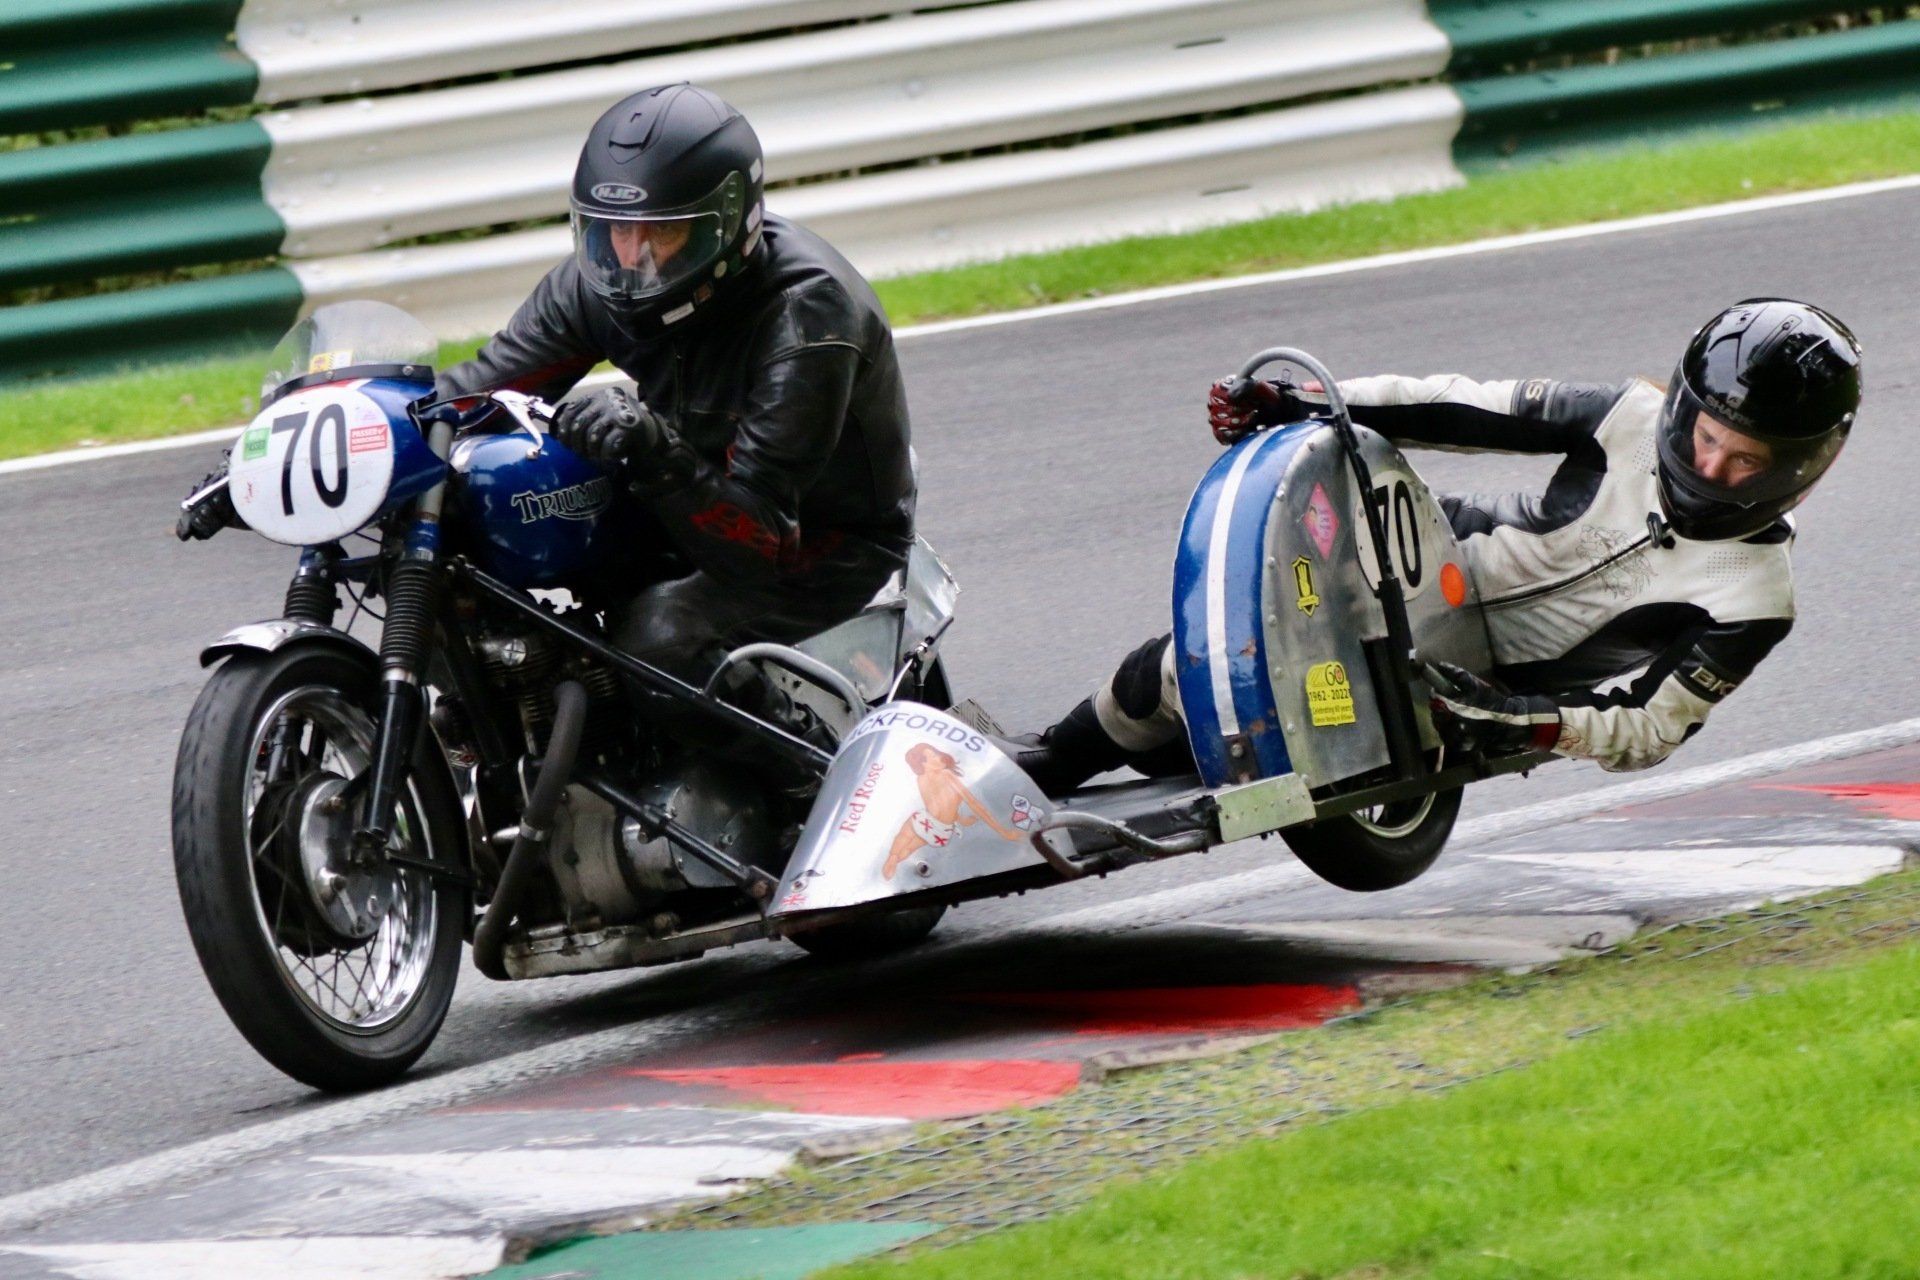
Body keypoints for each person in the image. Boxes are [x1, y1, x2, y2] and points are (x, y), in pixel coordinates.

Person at [184, 84, 916, 746]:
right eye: (611, 234)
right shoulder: (596, 287)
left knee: (657, 641)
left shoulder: (807, 313)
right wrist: (291, 456)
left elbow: (760, 541)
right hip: (677, 501)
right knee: (449, 546)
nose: (632, 260)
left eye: (661, 235)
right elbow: (463, 397)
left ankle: (813, 774)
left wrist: (652, 447)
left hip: (814, 542)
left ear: (728, 223)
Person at [1015, 298, 1861, 790]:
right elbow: (1460, 405)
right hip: (1430, 554)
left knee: (1221, 696)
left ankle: (1068, 764)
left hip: (1474, 684)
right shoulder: (1629, 417)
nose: (1712, 466)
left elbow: (1649, 728)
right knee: (1180, 667)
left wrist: (1530, 724)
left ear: (1801, 466)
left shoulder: (1754, 594)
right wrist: (1309, 400)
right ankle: (1043, 770)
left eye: (1745, 460)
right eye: (1708, 435)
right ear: (1682, 404)